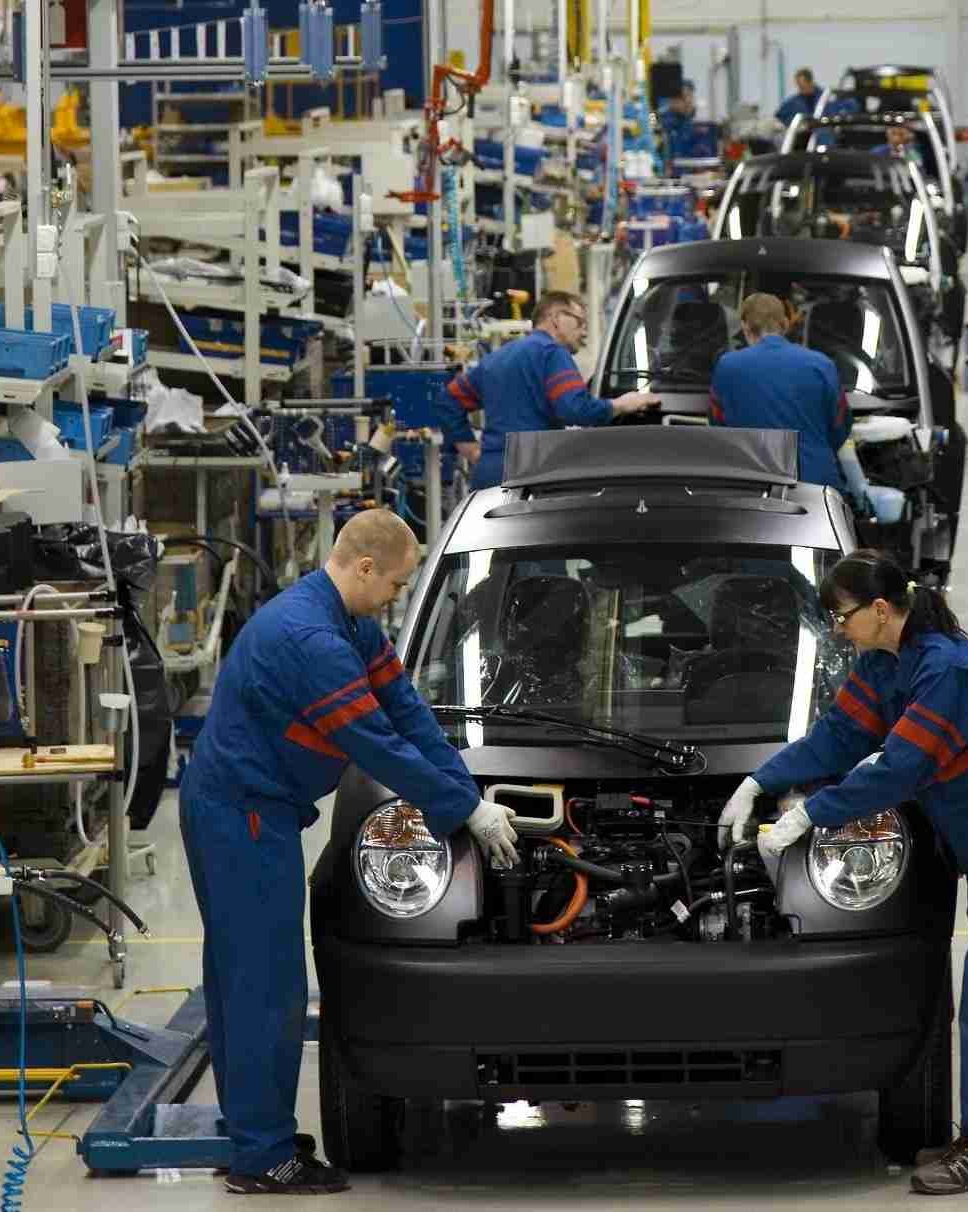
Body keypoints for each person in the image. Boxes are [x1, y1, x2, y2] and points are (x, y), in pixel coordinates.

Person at [180, 509, 520, 1196]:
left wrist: (468, 792)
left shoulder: (353, 625)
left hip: (259, 811)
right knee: (261, 986)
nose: (397, 595)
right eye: (395, 584)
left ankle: (257, 1130)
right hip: (240, 817)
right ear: (363, 568)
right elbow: (375, 745)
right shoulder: (312, 640)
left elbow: (408, 713)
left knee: (253, 979)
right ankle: (262, 1158)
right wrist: (464, 812)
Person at [717, 550, 968, 1196]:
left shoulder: (948, 671)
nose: (838, 631)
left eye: (843, 617)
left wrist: (810, 817)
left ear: (882, 610)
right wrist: (759, 781)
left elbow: (900, 769)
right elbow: (837, 737)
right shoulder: (885, 662)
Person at [434, 290, 660, 490]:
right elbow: (575, 409)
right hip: (532, 475)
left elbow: (448, 401)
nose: (584, 332)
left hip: (488, 475)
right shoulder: (552, 353)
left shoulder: (496, 359)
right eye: (580, 322)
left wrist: (472, 451)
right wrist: (622, 404)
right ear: (555, 318)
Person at [708, 291, 852, 492]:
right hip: (817, 487)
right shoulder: (821, 365)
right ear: (784, 323)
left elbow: (718, 428)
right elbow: (840, 426)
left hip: (751, 486)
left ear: (745, 326)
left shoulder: (727, 366)